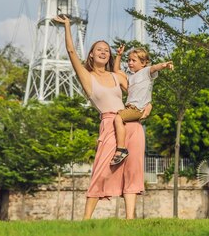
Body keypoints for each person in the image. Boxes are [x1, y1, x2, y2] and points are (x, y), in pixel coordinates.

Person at [53, 15, 146, 220]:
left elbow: (138, 93)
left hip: (131, 123)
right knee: (101, 171)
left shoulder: (117, 75)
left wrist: (148, 105)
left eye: (106, 49)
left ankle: (130, 220)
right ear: (92, 55)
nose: (103, 52)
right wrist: (68, 26)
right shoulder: (87, 77)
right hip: (109, 124)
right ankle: (86, 220)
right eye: (99, 49)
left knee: (132, 171)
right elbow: (71, 52)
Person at [110, 45, 173, 165]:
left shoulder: (146, 72)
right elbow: (116, 71)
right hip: (130, 108)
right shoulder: (131, 77)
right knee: (119, 118)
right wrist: (119, 55)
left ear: (143, 63)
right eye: (128, 60)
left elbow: (154, 68)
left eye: (133, 60)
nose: (130, 63)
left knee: (118, 118)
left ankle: (121, 149)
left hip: (137, 109)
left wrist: (164, 65)